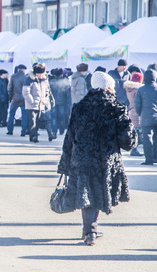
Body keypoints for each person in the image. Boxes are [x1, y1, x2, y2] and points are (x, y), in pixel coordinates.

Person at [57, 71, 137, 246]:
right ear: (108, 86)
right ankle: (91, 231)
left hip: (82, 158)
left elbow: (69, 137)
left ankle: (89, 231)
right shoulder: (116, 107)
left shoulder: (79, 106)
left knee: (87, 193)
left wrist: (65, 163)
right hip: (105, 160)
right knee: (99, 191)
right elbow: (127, 141)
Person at [23, 63, 55, 143]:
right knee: (32, 121)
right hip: (32, 105)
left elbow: (47, 91)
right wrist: (31, 101)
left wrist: (45, 100)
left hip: (41, 104)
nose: (41, 75)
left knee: (37, 121)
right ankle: (34, 136)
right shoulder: (29, 79)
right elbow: (26, 92)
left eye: (42, 73)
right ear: (36, 73)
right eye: (39, 73)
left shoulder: (44, 80)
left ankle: (33, 135)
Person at [135, 70, 157, 165]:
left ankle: (149, 159)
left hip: (145, 117)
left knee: (147, 138)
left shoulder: (141, 90)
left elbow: (137, 104)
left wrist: (140, 114)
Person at [123, 72, 144, 156]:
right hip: (137, 111)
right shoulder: (137, 89)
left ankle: (134, 149)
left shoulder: (129, 88)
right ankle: (134, 150)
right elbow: (139, 102)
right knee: (137, 131)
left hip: (131, 110)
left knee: (135, 131)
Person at [49, 68, 71, 137]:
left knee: (53, 117)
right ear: (62, 74)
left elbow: (49, 94)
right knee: (62, 116)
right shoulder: (66, 82)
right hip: (63, 102)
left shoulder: (51, 82)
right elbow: (68, 94)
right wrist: (68, 103)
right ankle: (61, 130)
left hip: (53, 102)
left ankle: (54, 131)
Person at [7, 64, 28, 136]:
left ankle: (10, 130)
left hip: (15, 98)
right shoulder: (26, 77)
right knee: (24, 115)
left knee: (11, 115)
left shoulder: (13, 76)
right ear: (24, 70)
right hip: (24, 99)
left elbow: (10, 88)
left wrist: (10, 97)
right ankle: (23, 131)